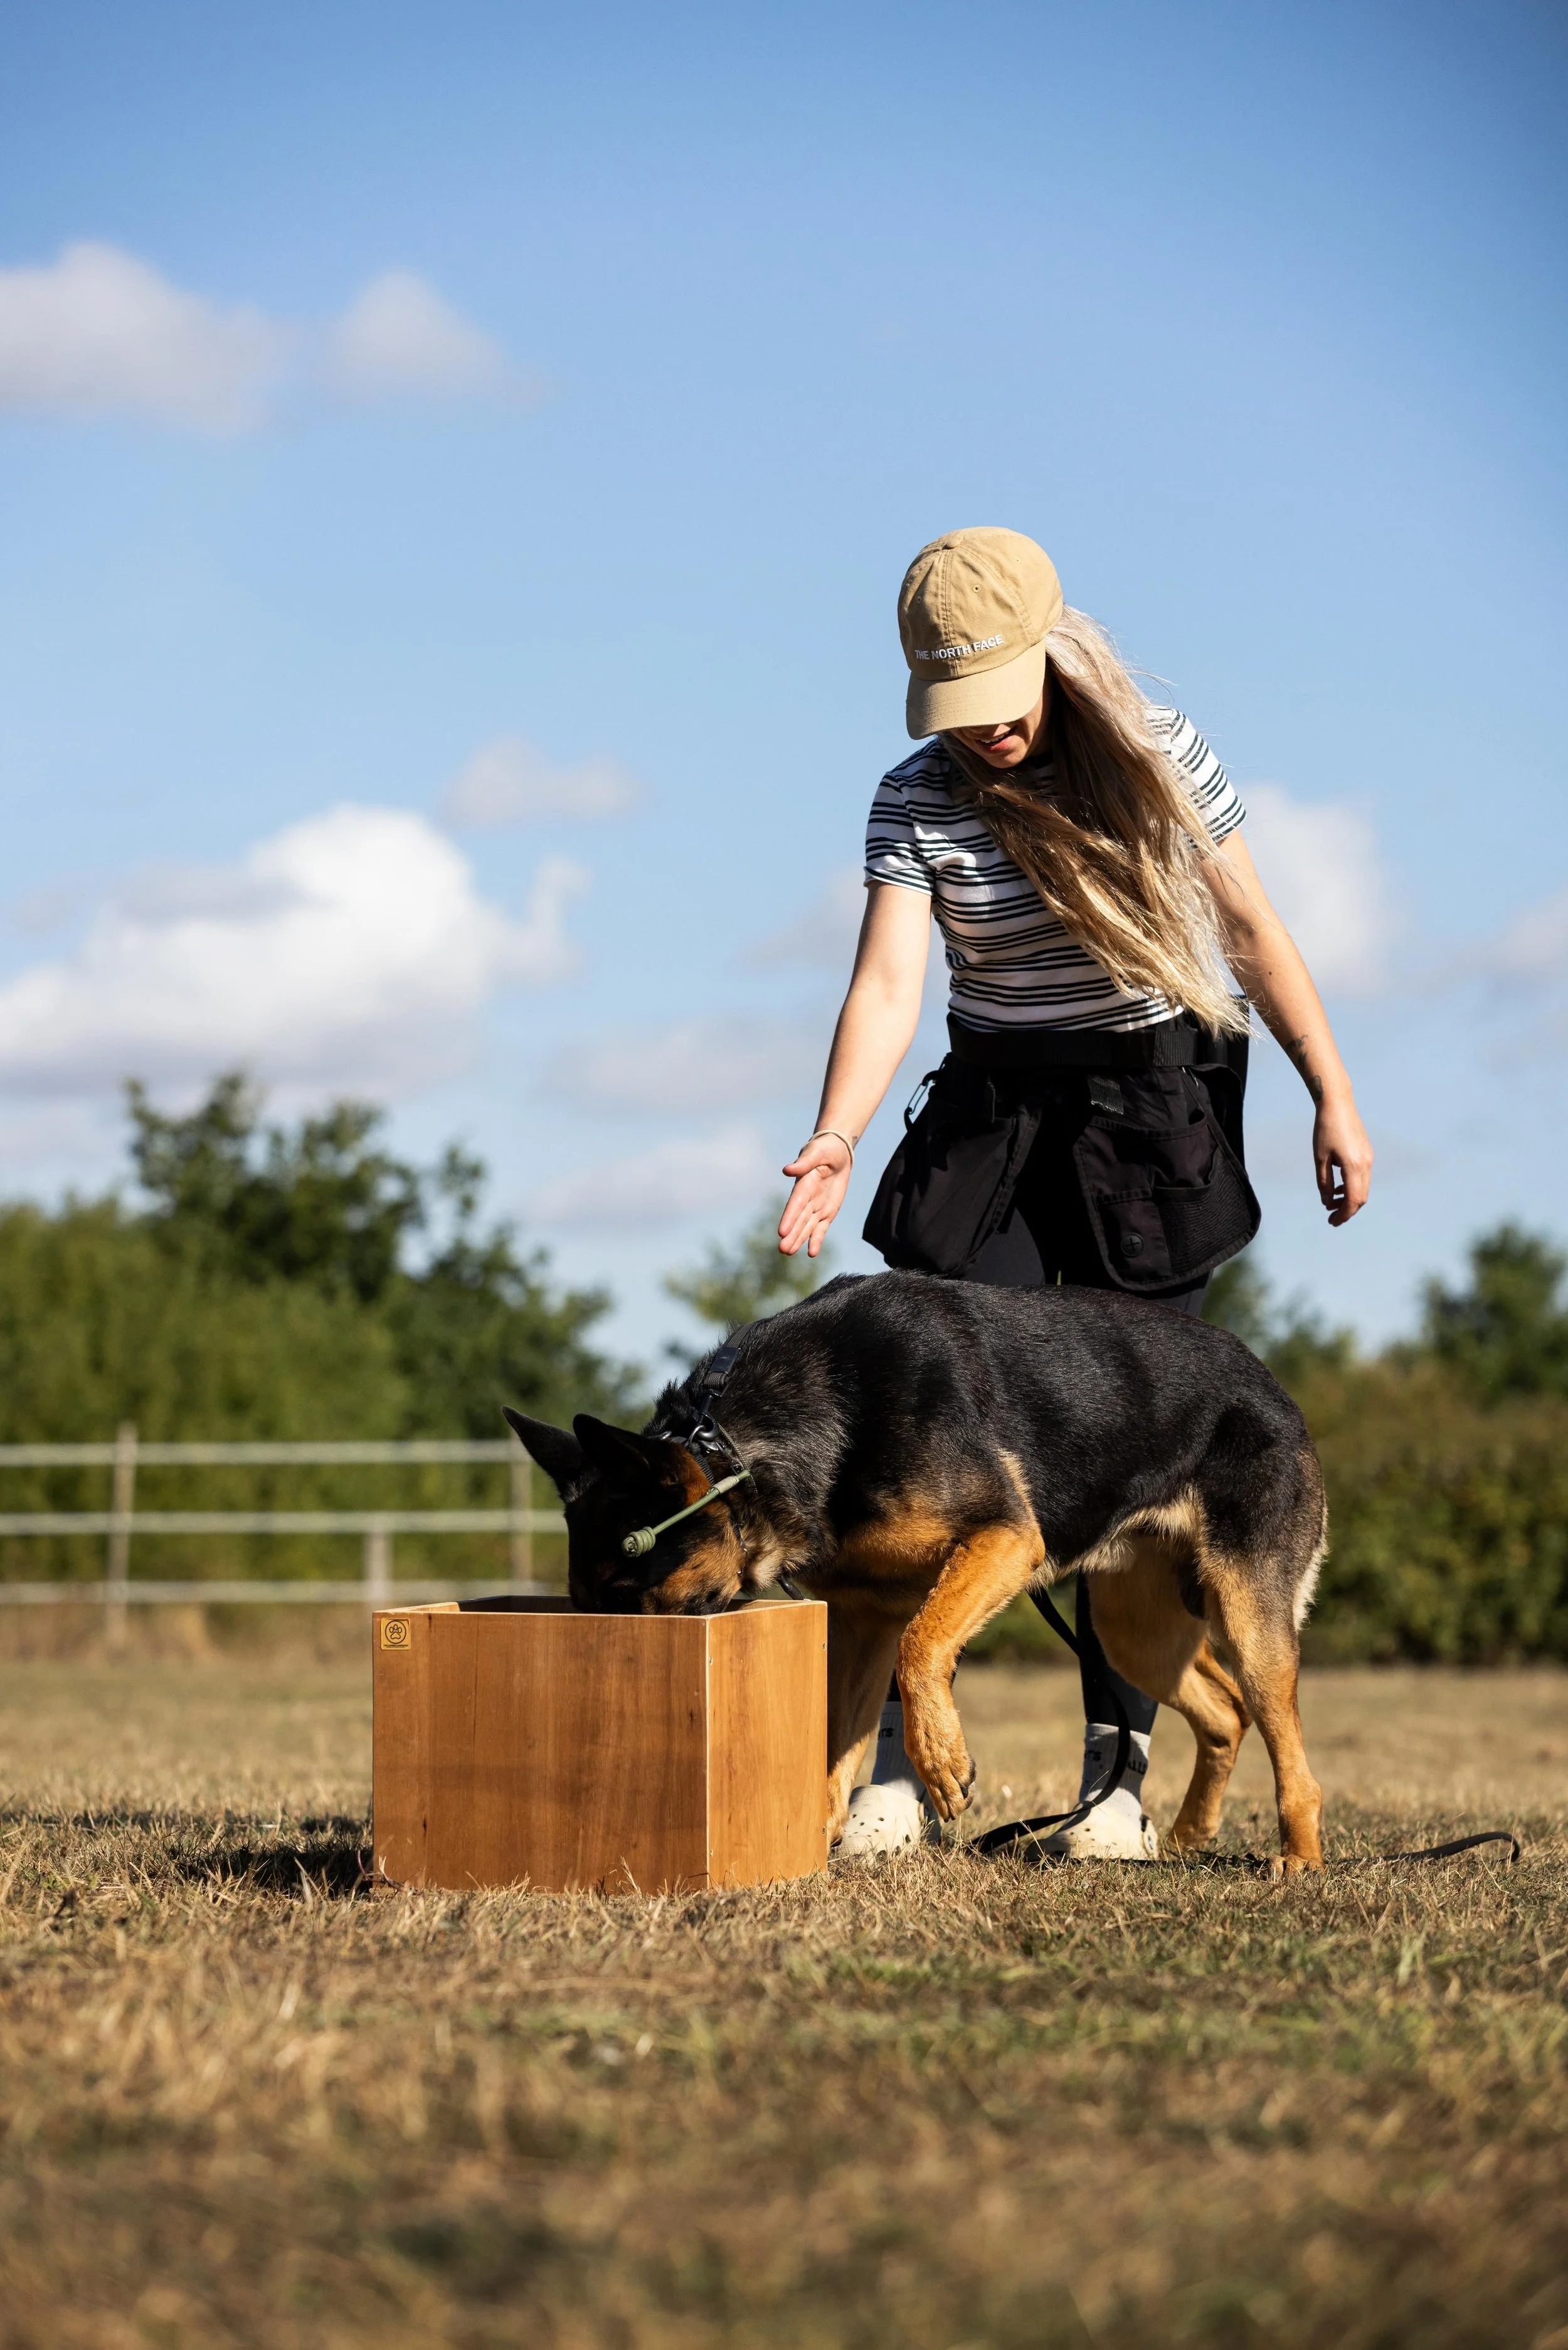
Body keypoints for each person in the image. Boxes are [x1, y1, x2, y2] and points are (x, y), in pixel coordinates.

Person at [778, 526, 1372, 1859]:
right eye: (953, 707)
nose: (980, 731)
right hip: (993, 1117)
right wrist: (833, 1132)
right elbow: (885, 986)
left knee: (1116, 1445)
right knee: (915, 1422)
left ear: (1045, 655)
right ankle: (882, 1772)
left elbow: (1249, 934)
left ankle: (1114, 1782)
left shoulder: (1155, 750)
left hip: (1145, 1122)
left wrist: (1330, 1090)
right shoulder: (914, 795)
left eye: (997, 697)